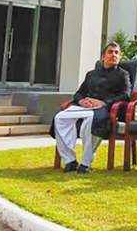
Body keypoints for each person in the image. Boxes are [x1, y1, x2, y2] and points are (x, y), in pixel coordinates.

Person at [51, 41, 131, 173]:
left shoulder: (123, 74)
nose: (114, 55)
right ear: (102, 57)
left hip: (105, 108)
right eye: (110, 52)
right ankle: (69, 160)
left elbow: (126, 95)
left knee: (90, 121)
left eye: (117, 53)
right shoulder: (91, 74)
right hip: (84, 107)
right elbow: (79, 93)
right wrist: (82, 101)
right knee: (60, 118)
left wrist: (103, 102)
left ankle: (85, 163)